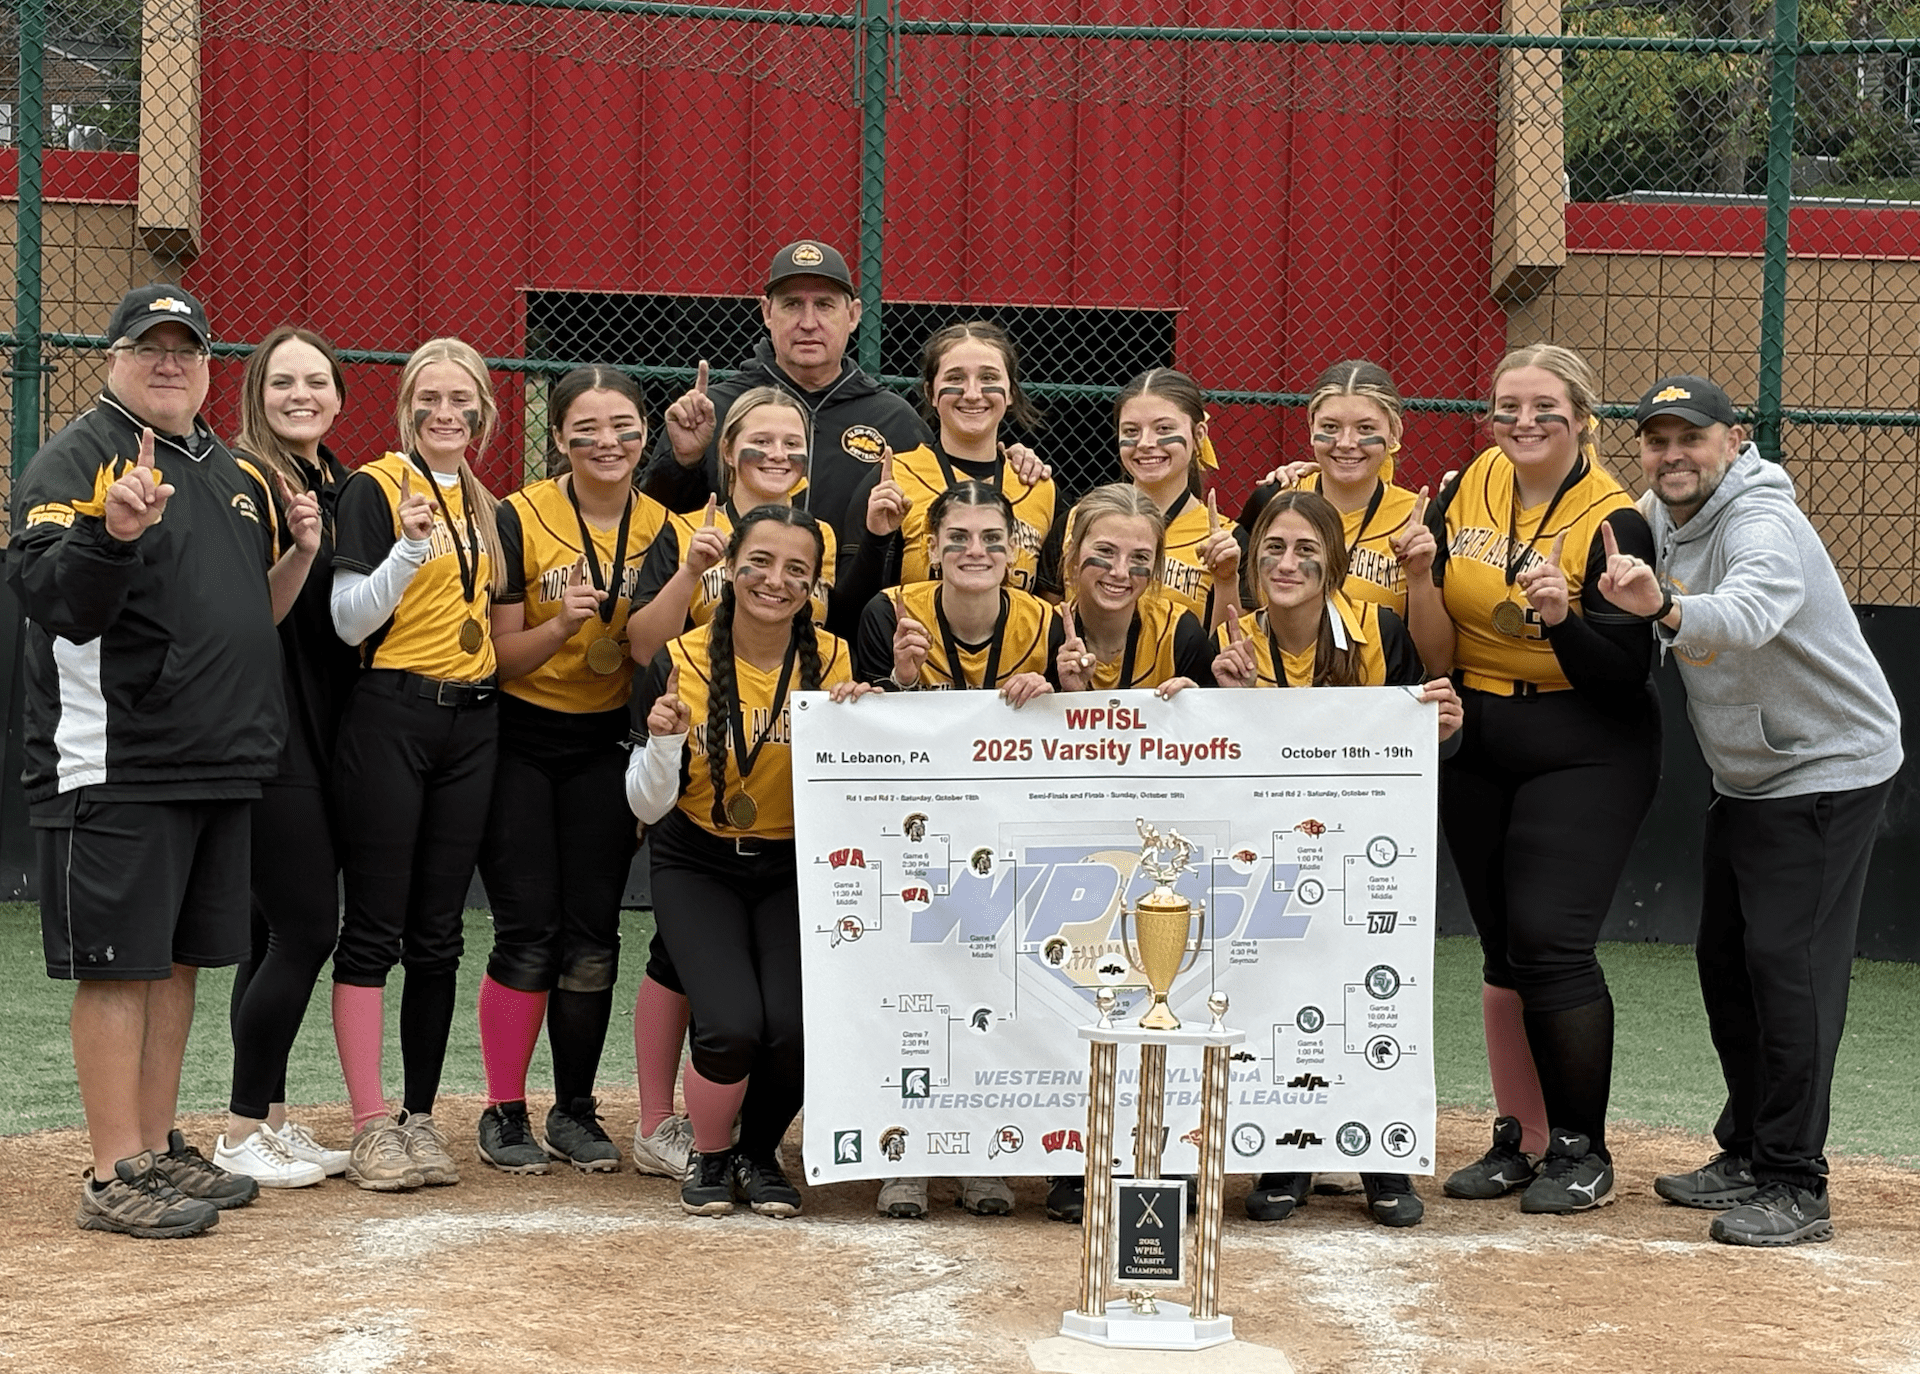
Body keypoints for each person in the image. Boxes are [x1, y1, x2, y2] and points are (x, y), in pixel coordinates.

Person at [10, 284, 300, 1235]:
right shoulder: (77, 458)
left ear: (210, 363)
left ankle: (156, 1141)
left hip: (216, 761)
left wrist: (300, 553)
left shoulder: (229, 469)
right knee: (119, 969)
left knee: (176, 963)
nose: (169, 362)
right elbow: (52, 596)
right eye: (150, 347)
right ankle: (111, 1172)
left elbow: (247, 609)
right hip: (119, 762)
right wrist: (112, 530)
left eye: (186, 347)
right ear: (114, 360)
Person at [1600, 375, 1901, 1246]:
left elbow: (1754, 611)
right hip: (1751, 773)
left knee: (1789, 969)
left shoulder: (1761, 519)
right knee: (1728, 964)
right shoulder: (1660, 513)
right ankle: (1747, 1149)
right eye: (1656, 441)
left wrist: (1663, 605)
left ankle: (1795, 1182)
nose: (1671, 455)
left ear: (1734, 442)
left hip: (1826, 764)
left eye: (1690, 439)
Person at [1403, 344, 1661, 1215]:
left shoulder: (1615, 518)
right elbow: (1439, 640)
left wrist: (1559, 618)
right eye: (1507, 406)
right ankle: (1522, 1136)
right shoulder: (1469, 481)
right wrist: (1417, 581)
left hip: (1585, 736)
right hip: (1479, 728)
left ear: (1583, 418)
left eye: (1545, 407)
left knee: (1553, 941)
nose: (1523, 422)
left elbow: (1623, 674)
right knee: (1505, 947)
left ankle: (1584, 1150)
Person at [1212, 488, 1460, 1228]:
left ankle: (1384, 1157)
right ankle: (1286, 1153)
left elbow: (1424, 737)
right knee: (1279, 994)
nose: (1287, 564)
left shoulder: (1379, 632)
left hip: (1367, 856)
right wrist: (1214, 697)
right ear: (1253, 560)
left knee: (1377, 995)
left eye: (1306, 553)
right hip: (1264, 856)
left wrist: (1444, 724)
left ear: (1336, 567)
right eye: (1273, 550)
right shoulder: (1231, 637)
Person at [626, 505, 880, 1217]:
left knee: (796, 1026)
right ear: (730, 568)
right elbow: (646, 808)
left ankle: (757, 1152)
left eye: (797, 569)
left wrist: (867, 717)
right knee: (732, 1022)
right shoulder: (677, 660)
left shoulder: (833, 661)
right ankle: (709, 1155)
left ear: (814, 584)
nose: (776, 580)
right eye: (760, 562)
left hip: (793, 862)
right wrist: (664, 743)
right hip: (696, 857)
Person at [470, 366, 669, 1176]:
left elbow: (659, 648)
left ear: (644, 435)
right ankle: (504, 1110)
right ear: (558, 437)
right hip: (519, 738)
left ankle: (576, 1109)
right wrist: (560, 628)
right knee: (527, 932)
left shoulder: (666, 529)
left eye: (623, 425)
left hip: (604, 747)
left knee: (592, 935)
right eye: (586, 427)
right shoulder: (520, 515)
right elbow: (498, 657)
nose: (607, 442)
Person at [328, 338, 507, 1192]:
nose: (446, 413)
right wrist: (404, 550)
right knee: (374, 927)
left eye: (461, 400)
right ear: (406, 406)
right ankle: (370, 1125)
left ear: (481, 410)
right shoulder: (375, 486)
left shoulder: (486, 503)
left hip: (471, 724)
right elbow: (348, 623)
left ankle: (421, 1118)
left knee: (439, 934)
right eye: (429, 398)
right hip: (392, 715)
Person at [852, 480, 1053, 1219]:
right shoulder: (890, 611)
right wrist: (898, 682)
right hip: (910, 837)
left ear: (1014, 549)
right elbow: (869, 732)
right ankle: (903, 1152)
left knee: (986, 998)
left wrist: (1055, 692)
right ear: (931, 546)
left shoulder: (1045, 622)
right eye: (958, 538)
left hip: (1001, 841)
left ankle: (978, 1151)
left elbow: (1063, 738)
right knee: (909, 996)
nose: (976, 550)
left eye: (992, 539)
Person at [217, 326, 360, 1188]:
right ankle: (239, 1130)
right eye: (282, 383)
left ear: (340, 394)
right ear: (255, 396)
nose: (300, 395)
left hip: (324, 729)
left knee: (270, 931)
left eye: (315, 381)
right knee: (308, 927)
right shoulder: (242, 480)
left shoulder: (336, 482)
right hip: (270, 734)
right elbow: (249, 612)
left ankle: (265, 1116)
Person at [640, 240, 931, 582]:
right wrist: (683, 462)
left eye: (824, 305)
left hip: (848, 624)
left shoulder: (893, 420)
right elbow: (653, 522)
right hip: (721, 617)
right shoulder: (716, 410)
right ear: (766, 312)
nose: (808, 323)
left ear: (853, 315)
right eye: (793, 305)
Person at [851, 320, 1063, 596]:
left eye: (988, 378)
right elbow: (851, 610)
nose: (972, 394)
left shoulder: (1038, 486)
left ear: (1010, 392)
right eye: (955, 378)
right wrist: (876, 540)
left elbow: (1052, 606)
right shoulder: (895, 479)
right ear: (931, 393)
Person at [1236, 360, 1427, 619]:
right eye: (1330, 427)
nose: (1346, 443)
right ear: (1311, 426)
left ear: (1394, 433)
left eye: (1366, 428)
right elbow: (1243, 618)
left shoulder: (1420, 520)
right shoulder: (1273, 499)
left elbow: (1431, 654)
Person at [1052, 485, 1214, 697]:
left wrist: (1198, 705)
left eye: (1139, 557)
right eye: (1105, 551)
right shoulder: (1043, 634)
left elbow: (1219, 725)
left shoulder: (1178, 634)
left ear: (1155, 564)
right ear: (1072, 551)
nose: (1120, 572)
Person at [1110, 367, 1239, 631]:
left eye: (1164, 428)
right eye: (1131, 431)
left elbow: (1233, 646)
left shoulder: (1227, 541)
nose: (1145, 442)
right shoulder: (1078, 521)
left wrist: (1226, 581)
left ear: (1199, 434)